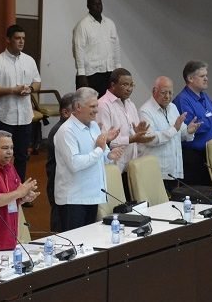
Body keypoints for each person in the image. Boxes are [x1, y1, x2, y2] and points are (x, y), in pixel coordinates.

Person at [54, 87, 124, 231]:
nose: (96, 110)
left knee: (89, 244)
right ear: (78, 107)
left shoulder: (93, 126)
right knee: (74, 246)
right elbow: (75, 163)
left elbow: (99, 156)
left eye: (97, 106)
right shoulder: (66, 131)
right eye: (92, 106)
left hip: (92, 195)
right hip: (74, 200)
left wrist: (109, 155)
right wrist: (100, 149)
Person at [0, 24, 41, 184]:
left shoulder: (29, 61)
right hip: (4, 117)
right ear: (8, 40)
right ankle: (1, 188)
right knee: (2, 156)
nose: (21, 42)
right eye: (17, 38)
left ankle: (20, 191)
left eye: (23, 38)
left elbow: (37, 82)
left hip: (25, 116)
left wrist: (30, 88)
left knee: (22, 155)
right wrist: (11, 90)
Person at [97, 68, 155, 200]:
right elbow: (105, 140)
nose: (129, 89)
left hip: (131, 166)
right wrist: (131, 138)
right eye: (125, 84)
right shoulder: (103, 105)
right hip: (114, 167)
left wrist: (140, 135)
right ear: (112, 85)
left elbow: (134, 134)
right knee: (118, 208)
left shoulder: (130, 104)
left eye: (131, 85)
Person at [138, 76, 201, 192]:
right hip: (156, 172)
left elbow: (179, 133)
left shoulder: (173, 107)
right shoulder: (145, 111)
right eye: (163, 93)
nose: (167, 96)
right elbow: (150, 139)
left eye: (170, 93)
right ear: (154, 91)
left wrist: (188, 131)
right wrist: (174, 129)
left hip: (173, 170)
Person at [72, 0, 121, 97]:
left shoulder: (110, 24)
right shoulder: (83, 25)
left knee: (107, 106)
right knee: (90, 106)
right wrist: (81, 73)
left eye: (100, 4)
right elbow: (78, 49)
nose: (98, 6)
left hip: (109, 73)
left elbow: (116, 47)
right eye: (94, 4)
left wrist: (118, 69)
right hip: (90, 74)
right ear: (88, 6)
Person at [45, 92, 75, 232]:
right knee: (61, 226)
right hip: (59, 183)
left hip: (68, 184)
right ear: (65, 112)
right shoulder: (60, 131)